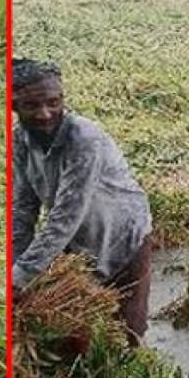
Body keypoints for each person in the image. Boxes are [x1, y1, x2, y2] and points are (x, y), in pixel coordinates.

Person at [11, 58, 153, 347]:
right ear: (14, 106)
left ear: (62, 98)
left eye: (53, 102)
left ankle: (136, 373)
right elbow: (23, 209)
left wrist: (22, 276)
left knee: (131, 325)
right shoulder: (21, 141)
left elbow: (65, 216)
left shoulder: (84, 139)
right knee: (79, 329)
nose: (45, 114)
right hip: (80, 243)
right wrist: (13, 267)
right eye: (31, 106)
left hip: (125, 234)